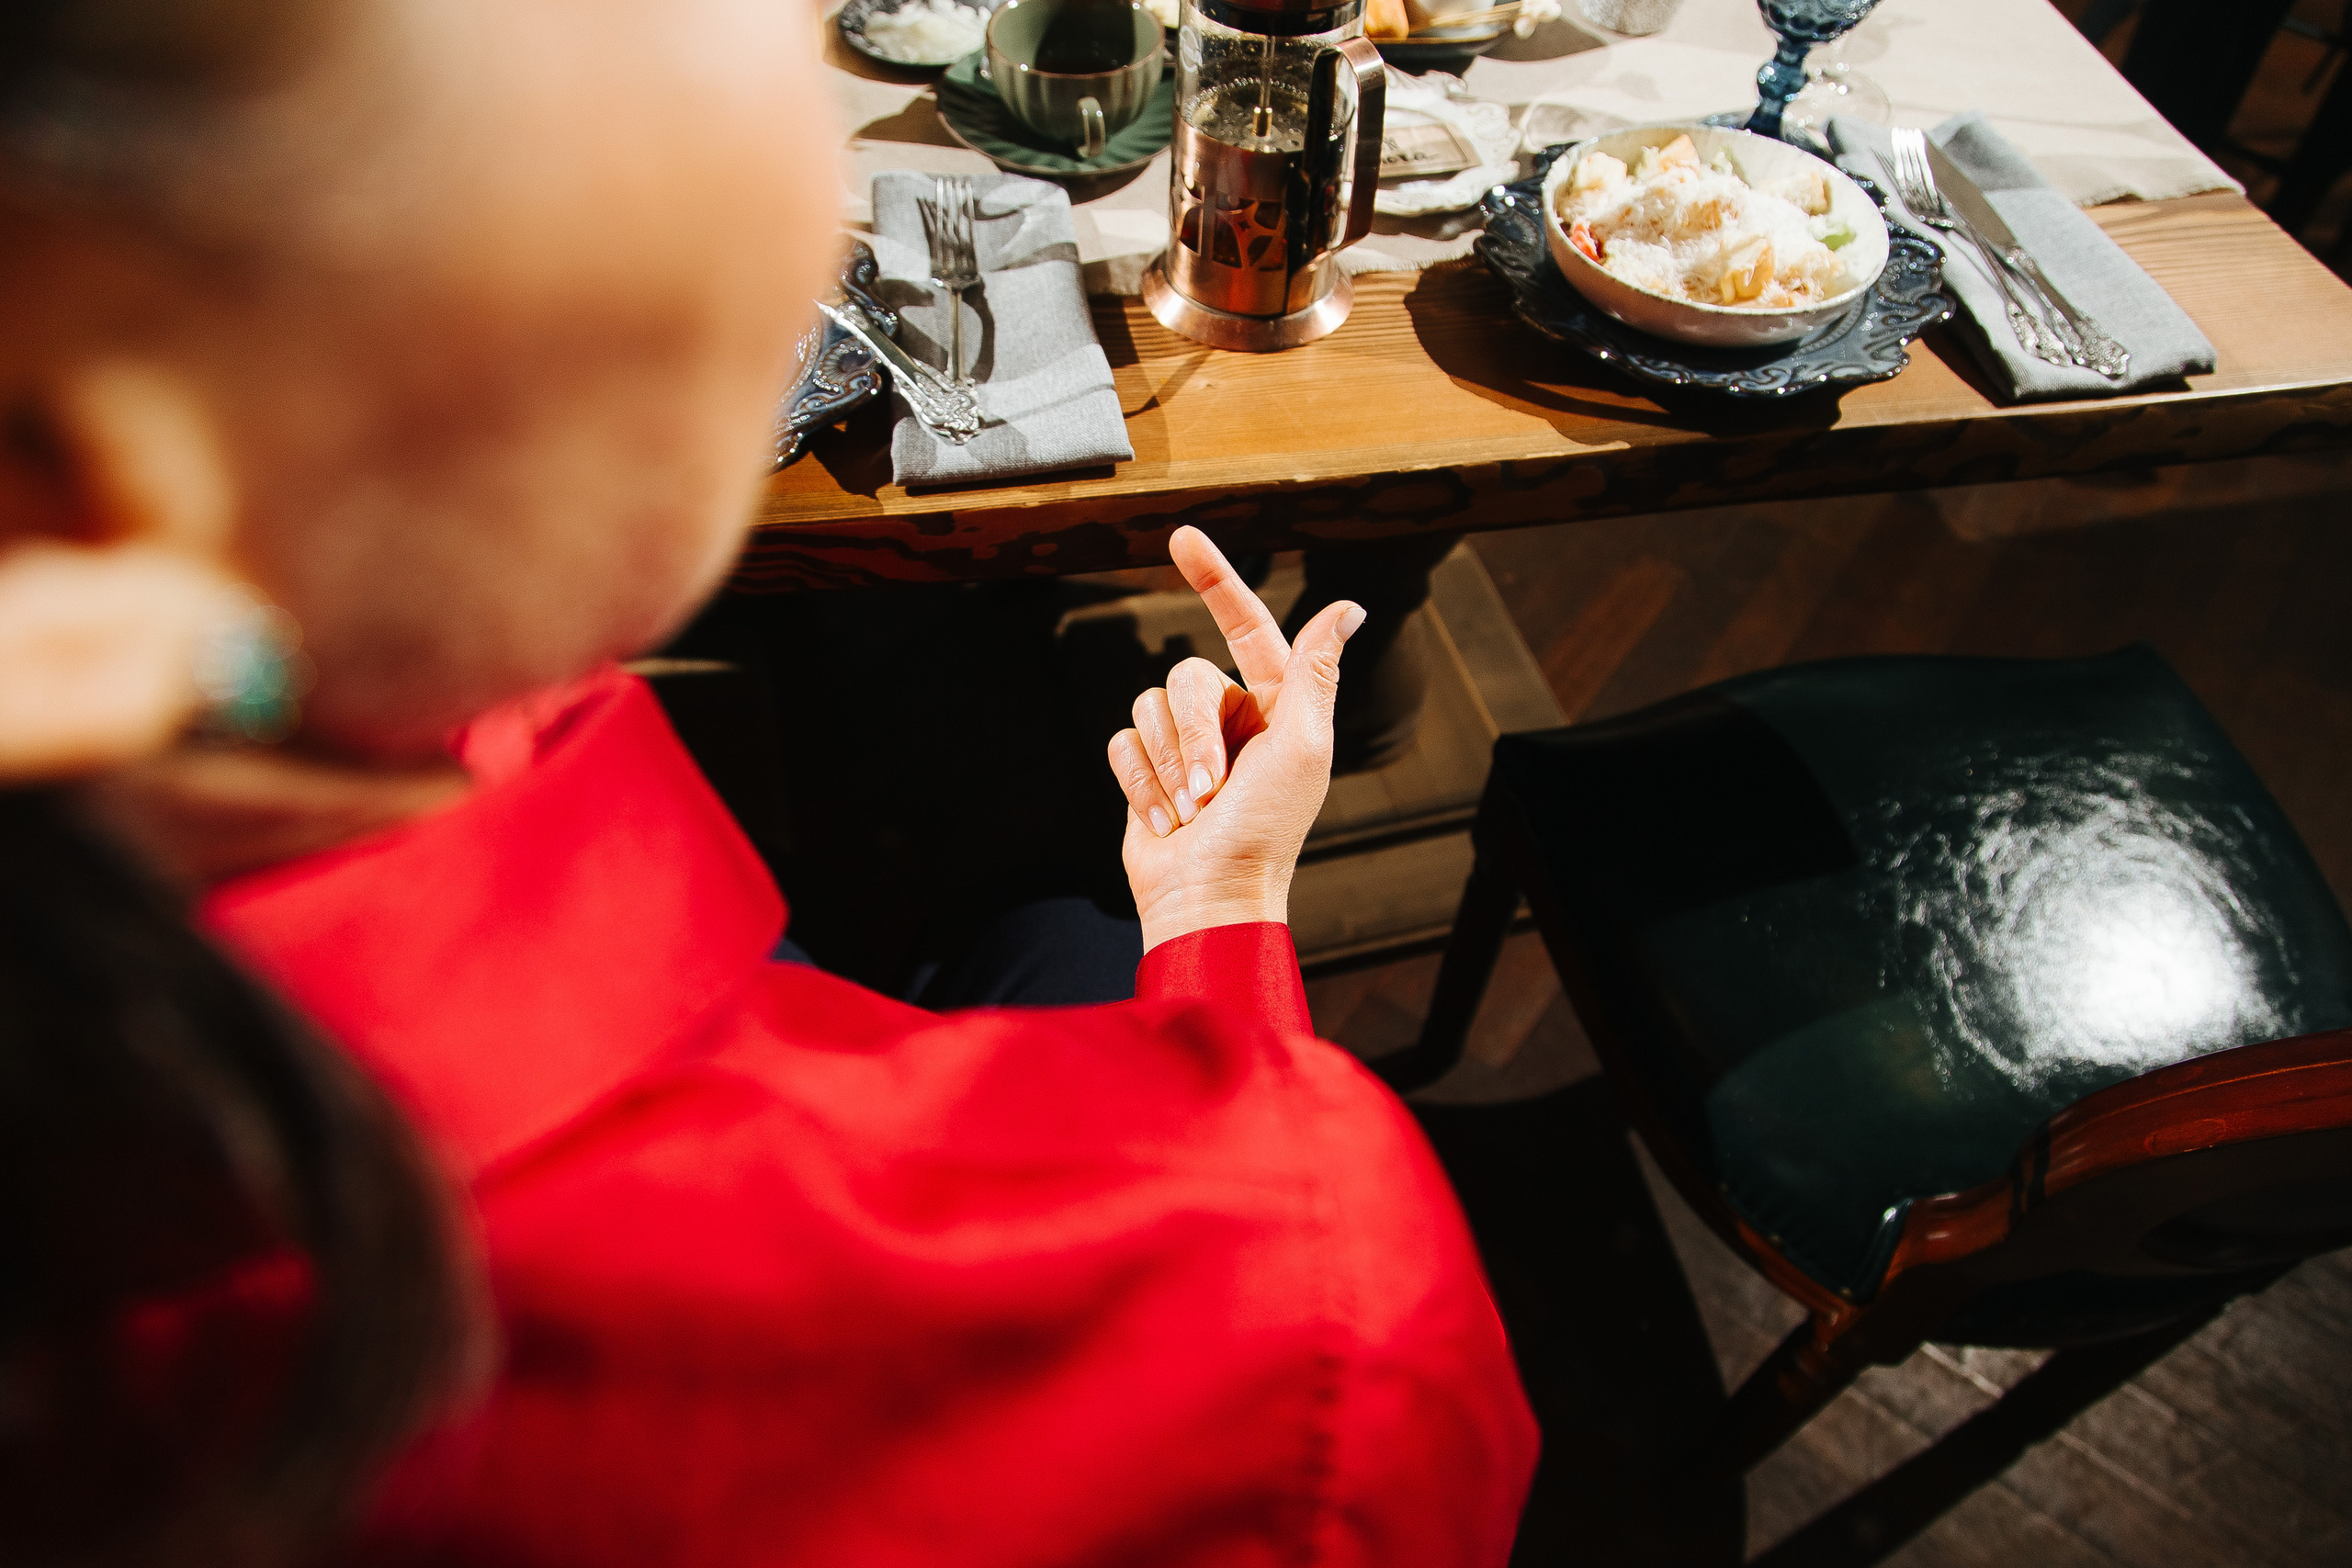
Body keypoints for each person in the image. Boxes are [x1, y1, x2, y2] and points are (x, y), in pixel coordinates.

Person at [0, 2, 1539, 1564]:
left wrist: (1205, 890)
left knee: (931, 701)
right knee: (1018, 861)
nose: (824, 209)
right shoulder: (1302, 1305)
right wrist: (1222, 949)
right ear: (98, 480)